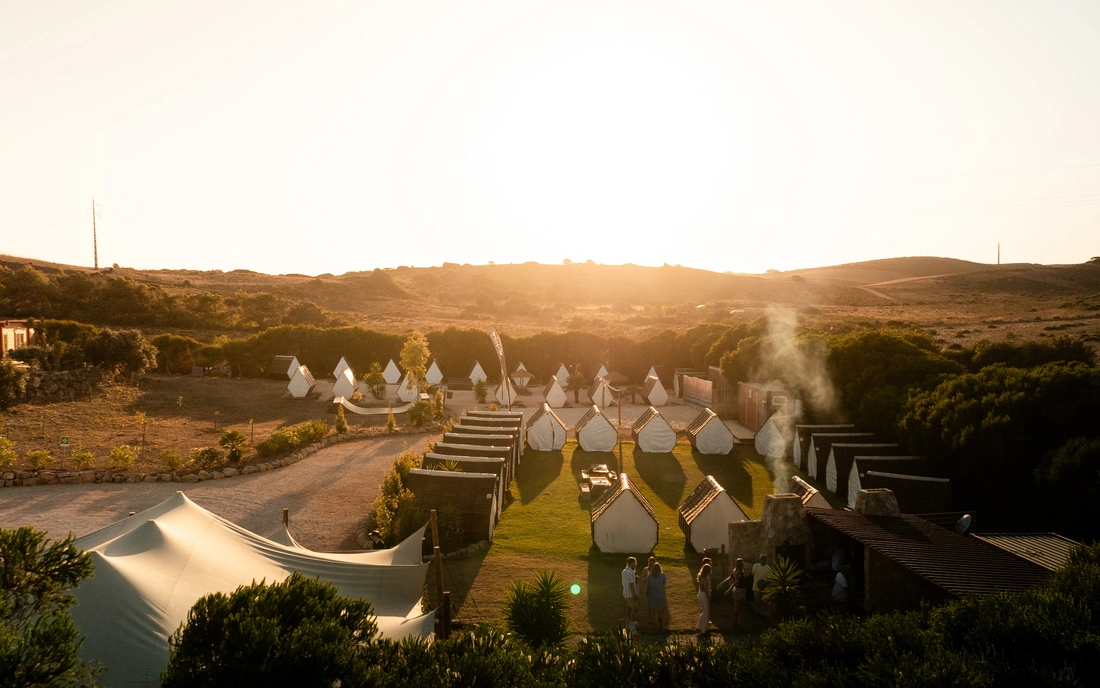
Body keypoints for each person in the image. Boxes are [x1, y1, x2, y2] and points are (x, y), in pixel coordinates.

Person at [647, 562, 669, 631]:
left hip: (653, 595)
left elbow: (649, 586)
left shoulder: (650, 575)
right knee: (663, 610)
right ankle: (663, 625)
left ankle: (657, 625)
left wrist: (648, 593)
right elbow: (664, 586)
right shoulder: (663, 575)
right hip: (660, 594)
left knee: (655, 611)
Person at [622, 557, 639, 631]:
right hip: (630, 594)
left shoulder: (624, 571)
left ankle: (628, 621)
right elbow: (631, 584)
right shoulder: (631, 572)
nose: (635, 565)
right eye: (635, 563)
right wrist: (634, 594)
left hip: (625, 593)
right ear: (632, 563)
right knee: (634, 608)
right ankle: (631, 625)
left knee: (629, 607)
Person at [695, 563, 712, 635]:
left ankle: (699, 626)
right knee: (706, 612)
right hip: (704, 595)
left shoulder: (700, 577)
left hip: (700, 594)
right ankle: (703, 630)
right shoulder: (705, 578)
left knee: (703, 611)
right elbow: (705, 589)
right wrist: (709, 598)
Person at [640, 556, 656, 624]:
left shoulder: (656, 569)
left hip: (655, 588)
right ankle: (650, 618)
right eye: (650, 563)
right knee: (650, 604)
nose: (651, 564)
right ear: (648, 563)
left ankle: (655, 617)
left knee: (655, 603)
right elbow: (643, 579)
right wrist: (647, 578)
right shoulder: (646, 569)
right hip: (649, 587)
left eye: (653, 563)